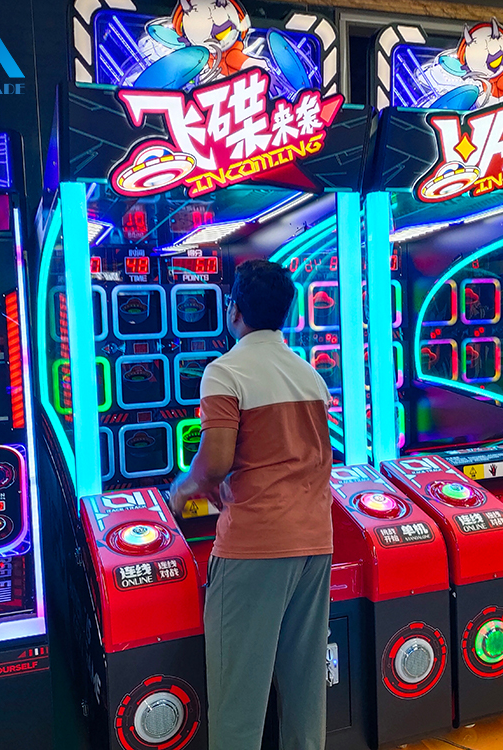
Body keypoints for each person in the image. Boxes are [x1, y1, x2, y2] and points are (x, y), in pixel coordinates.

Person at [169, 259, 333, 750]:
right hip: (314, 544)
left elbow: (215, 462)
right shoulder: (309, 375)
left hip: (255, 546)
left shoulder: (226, 372)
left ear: (234, 309)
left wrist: (182, 489)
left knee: (238, 697)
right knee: (305, 691)